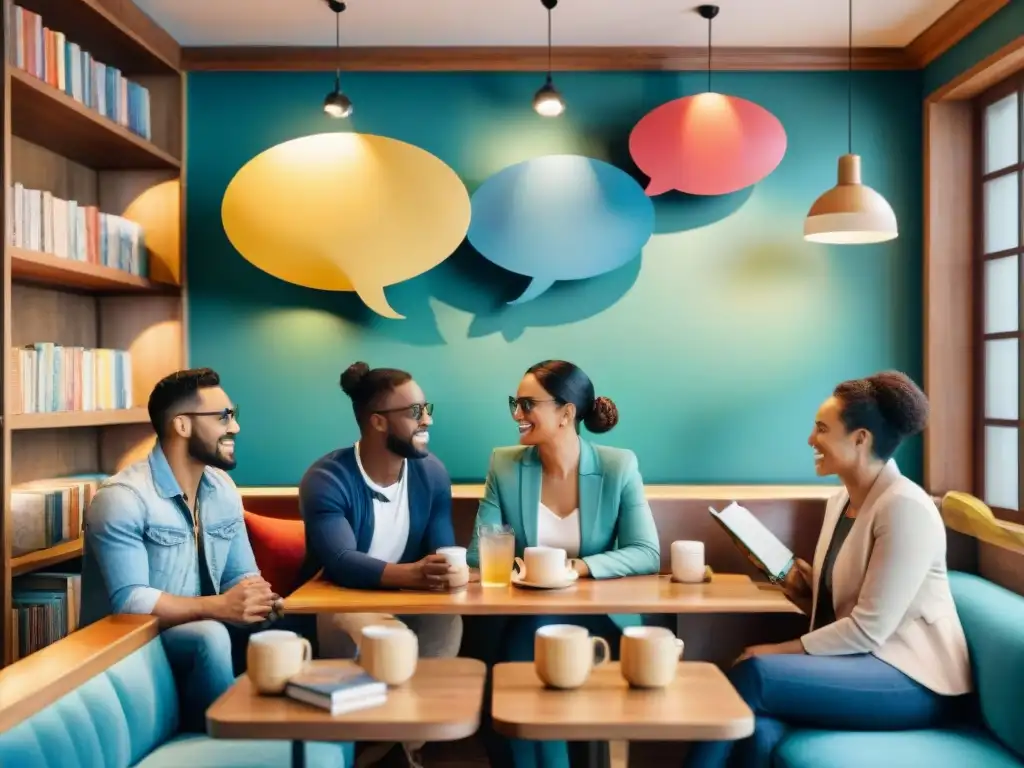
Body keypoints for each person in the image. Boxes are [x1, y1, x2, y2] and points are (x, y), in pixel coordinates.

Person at [685, 371, 972, 768]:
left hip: (915, 680)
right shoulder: (841, 501)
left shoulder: (905, 507)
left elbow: (869, 629)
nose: (810, 440)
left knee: (754, 675)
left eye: (822, 429)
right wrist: (799, 588)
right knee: (761, 729)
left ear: (860, 439)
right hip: (864, 662)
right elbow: (844, 607)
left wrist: (775, 651)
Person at [467, 360, 661, 768]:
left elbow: (647, 552)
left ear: (566, 413)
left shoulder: (617, 465)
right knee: (519, 643)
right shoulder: (504, 464)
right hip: (521, 612)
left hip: (599, 618)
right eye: (514, 404)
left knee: (527, 644)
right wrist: (532, 576)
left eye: (526, 404)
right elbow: (477, 553)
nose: (517, 415)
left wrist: (574, 570)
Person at [81, 368, 281, 733]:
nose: (234, 428)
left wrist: (261, 599)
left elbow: (241, 574)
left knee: (290, 625)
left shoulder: (222, 488)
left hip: (204, 625)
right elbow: (130, 601)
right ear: (182, 426)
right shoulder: (120, 499)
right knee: (210, 634)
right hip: (135, 644)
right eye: (224, 417)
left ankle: (295, 734)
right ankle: (226, 745)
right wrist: (217, 607)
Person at [298, 362, 464, 768]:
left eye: (427, 409)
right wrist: (412, 574)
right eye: (413, 412)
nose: (426, 420)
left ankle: (394, 747)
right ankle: (386, 747)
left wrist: (451, 570)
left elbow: (443, 548)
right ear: (377, 422)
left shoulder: (431, 473)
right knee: (387, 637)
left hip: (411, 601)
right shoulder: (327, 478)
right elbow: (340, 561)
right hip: (341, 601)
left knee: (450, 621)